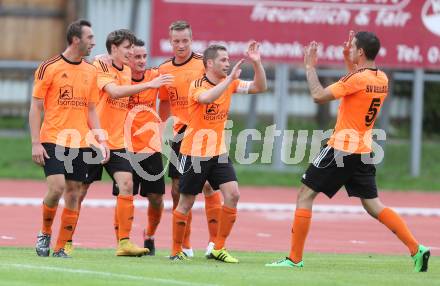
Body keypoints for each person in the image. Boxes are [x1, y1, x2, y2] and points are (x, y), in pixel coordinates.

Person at [266, 31, 430, 272]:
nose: (349, 47)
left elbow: (318, 96)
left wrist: (310, 67)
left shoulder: (358, 79)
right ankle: (417, 249)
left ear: (361, 52)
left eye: (353, 46)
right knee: (373, 205)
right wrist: (348, 59)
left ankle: (294, 258)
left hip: (341, 149)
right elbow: (358, 81)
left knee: (304, 195)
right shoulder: (381, 78)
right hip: (362, 150)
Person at [78, 29, 173, 257]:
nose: (137, 58)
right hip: (104, 140)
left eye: (142, 55)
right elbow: (111, 86)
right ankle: (64, 239)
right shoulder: (116, 71)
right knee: (79, 190)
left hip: (145, 146)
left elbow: (172, 96)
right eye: (132, 53)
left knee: (152, 196)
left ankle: (139, 238)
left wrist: (165, 128)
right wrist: (100, 58)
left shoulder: (153, 76)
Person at [170, 42, 267, 262]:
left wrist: (257, 63)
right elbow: (207, 98)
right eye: (223, 60)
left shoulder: (228, 83)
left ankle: (218, 247)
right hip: (194, 153)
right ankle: (176, 251)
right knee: (186, 203)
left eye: (228, 59)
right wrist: (230, 80)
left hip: (218, 152)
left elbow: (260, 87)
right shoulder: (197, 84)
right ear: (210, 63)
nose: (227, 63)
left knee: (233, 195)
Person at [30, 19, 109, 258]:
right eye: (90, 38)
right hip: (54, 138)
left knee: (74, 192)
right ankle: (44, 232)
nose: (93, 42)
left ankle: (61, 247)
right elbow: (36, 106)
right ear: (76, 40)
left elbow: (92, 109)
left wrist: (100, 139)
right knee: (57, 188)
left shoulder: (91, 71)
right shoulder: (49, 67)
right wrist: (36, 142)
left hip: (80, 142)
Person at [158, 20, 223, 257]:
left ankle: (214, 244)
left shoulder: (202, 65)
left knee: (207, 185)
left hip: (203, 132)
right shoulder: (165, 69)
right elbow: (164, 101)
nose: (181, 45)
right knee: (177, 189)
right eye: (176, 41)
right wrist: (163, 130)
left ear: (191, 40)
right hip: (179, 134)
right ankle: (184, 245)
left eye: (185, 40)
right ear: (170, 41)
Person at [117, 38, 166, 256]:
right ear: (128, 58)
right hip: (124, 146)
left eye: (144, 56)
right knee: (124, 195)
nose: (142, 60)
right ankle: (122, 241)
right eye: (137, 56)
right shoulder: (120, 78)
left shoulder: (155, 75)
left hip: (150, 146)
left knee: (156, 198)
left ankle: (150, 235)